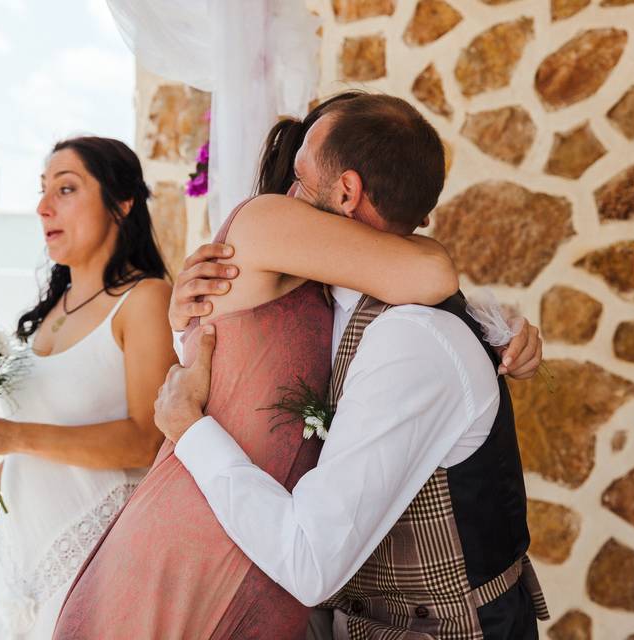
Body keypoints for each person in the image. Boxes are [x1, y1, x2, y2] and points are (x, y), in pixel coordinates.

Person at [55, 92, 542, 639]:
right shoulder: (322, 300)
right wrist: (187, 324)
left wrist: (190, 430)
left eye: (301, 179)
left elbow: (308, 558)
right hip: (220, 569)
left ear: (347, 191)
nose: (287, 194)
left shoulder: (412, 338)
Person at [0, 136, 176, 640]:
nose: (43, 207)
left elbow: (148, 441)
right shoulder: (50, 315)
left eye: (65, 189)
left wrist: (13, 438)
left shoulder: (144, 299)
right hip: (11, 546)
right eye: (42, 191)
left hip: (92, 564)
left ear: (122, 203)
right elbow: (32, 432)